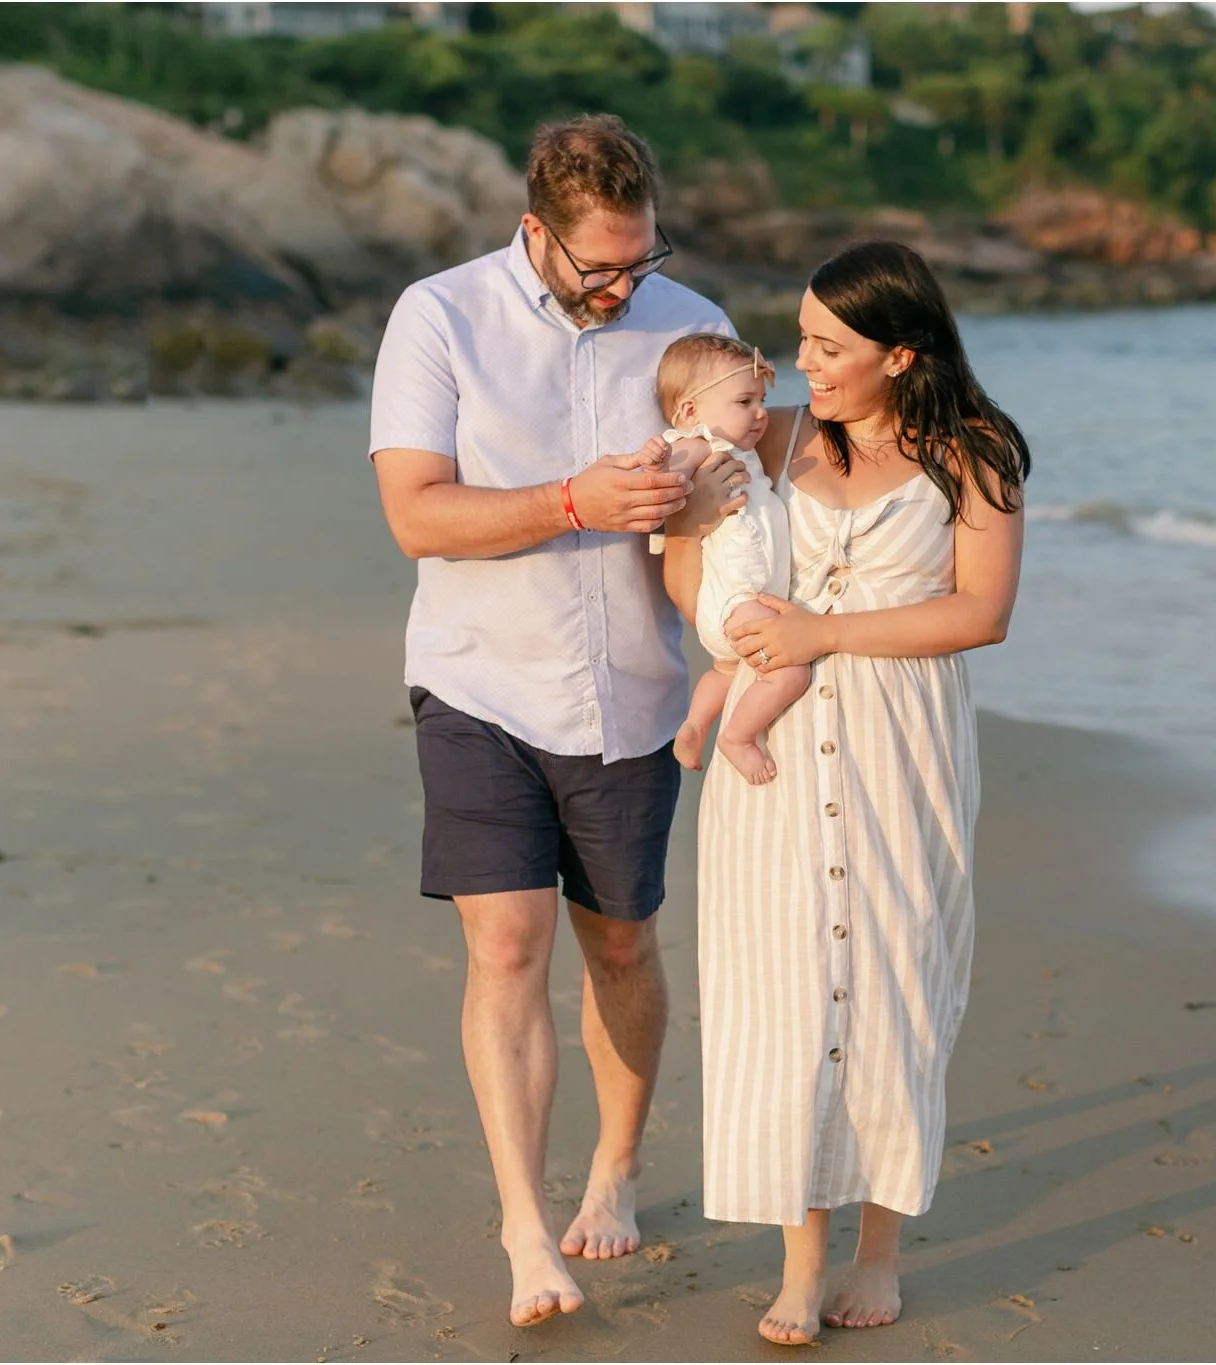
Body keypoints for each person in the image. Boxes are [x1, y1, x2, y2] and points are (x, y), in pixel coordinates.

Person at [366, 113, 746, 1329]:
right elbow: (418, 517)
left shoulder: (692, 329)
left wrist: (688, 513)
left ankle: (615, 1170)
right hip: (477, 680)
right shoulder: (440, 315)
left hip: (631, 691)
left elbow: (725, 534)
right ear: (536, 231)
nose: (624, 284)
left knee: (621, 947)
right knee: (507, 948)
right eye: (600, 267)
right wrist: (573, 499)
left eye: (641, 258)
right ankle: (526, 1229)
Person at [661, 240, 1030, 1346]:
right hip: (770, 752)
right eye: (802, 338)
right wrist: (706, 592)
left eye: (829, 345)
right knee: (783, 997)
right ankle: (797, 1261)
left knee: (892, 984)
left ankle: (879, 1251)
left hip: (896, 745)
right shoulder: (771, 439)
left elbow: (981, 614)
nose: (800, 363)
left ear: (900, 352)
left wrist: (825, 634)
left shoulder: (975, 453)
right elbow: (696, 566)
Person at [652, 334, 808, 785]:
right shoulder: (697, 444)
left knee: (725, 671)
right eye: (744, 401)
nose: (760, 413)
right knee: (789, 672)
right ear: (690, 412)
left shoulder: (738, 451)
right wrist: (662, 470)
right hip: (738, 601)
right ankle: (737, 736)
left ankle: (695, 725)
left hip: (735, 604)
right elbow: (663, 483)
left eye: (761, 399)